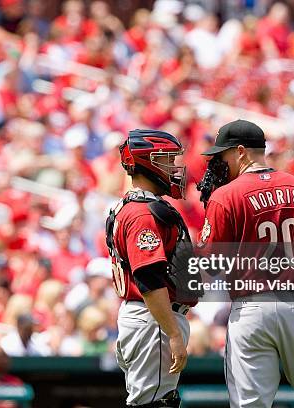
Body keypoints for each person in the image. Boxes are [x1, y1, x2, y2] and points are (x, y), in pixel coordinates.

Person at [198, 120, 294, 407]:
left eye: (223, 155)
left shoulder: (226, 196)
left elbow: (211, 265)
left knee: (249, 404)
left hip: (251, 310)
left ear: (240, 152)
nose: (219, 163)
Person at [106, 129, 197, 408]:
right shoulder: (143, 212)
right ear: (148, 162)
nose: (174, 167)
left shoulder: (136, 206)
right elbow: (149, 278)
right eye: (167, 160)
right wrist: (172, 333)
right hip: (154, 319)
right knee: (155, 404)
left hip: (149, 318)